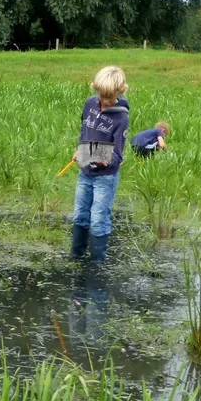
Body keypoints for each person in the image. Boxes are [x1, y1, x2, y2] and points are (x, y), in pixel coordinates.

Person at [70, 66, 130, 264]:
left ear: (120, 92)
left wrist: (103, 159)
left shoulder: (121, 117)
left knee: (98, 220)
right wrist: (80, 150)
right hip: (85, 172)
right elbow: (83, 132)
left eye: (109, 97)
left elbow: (117, 156)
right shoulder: (89, 104)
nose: (104, 101)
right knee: (80, 215)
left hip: (105, 176)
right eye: (101, 95)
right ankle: (76, 258)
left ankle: (97, 263)